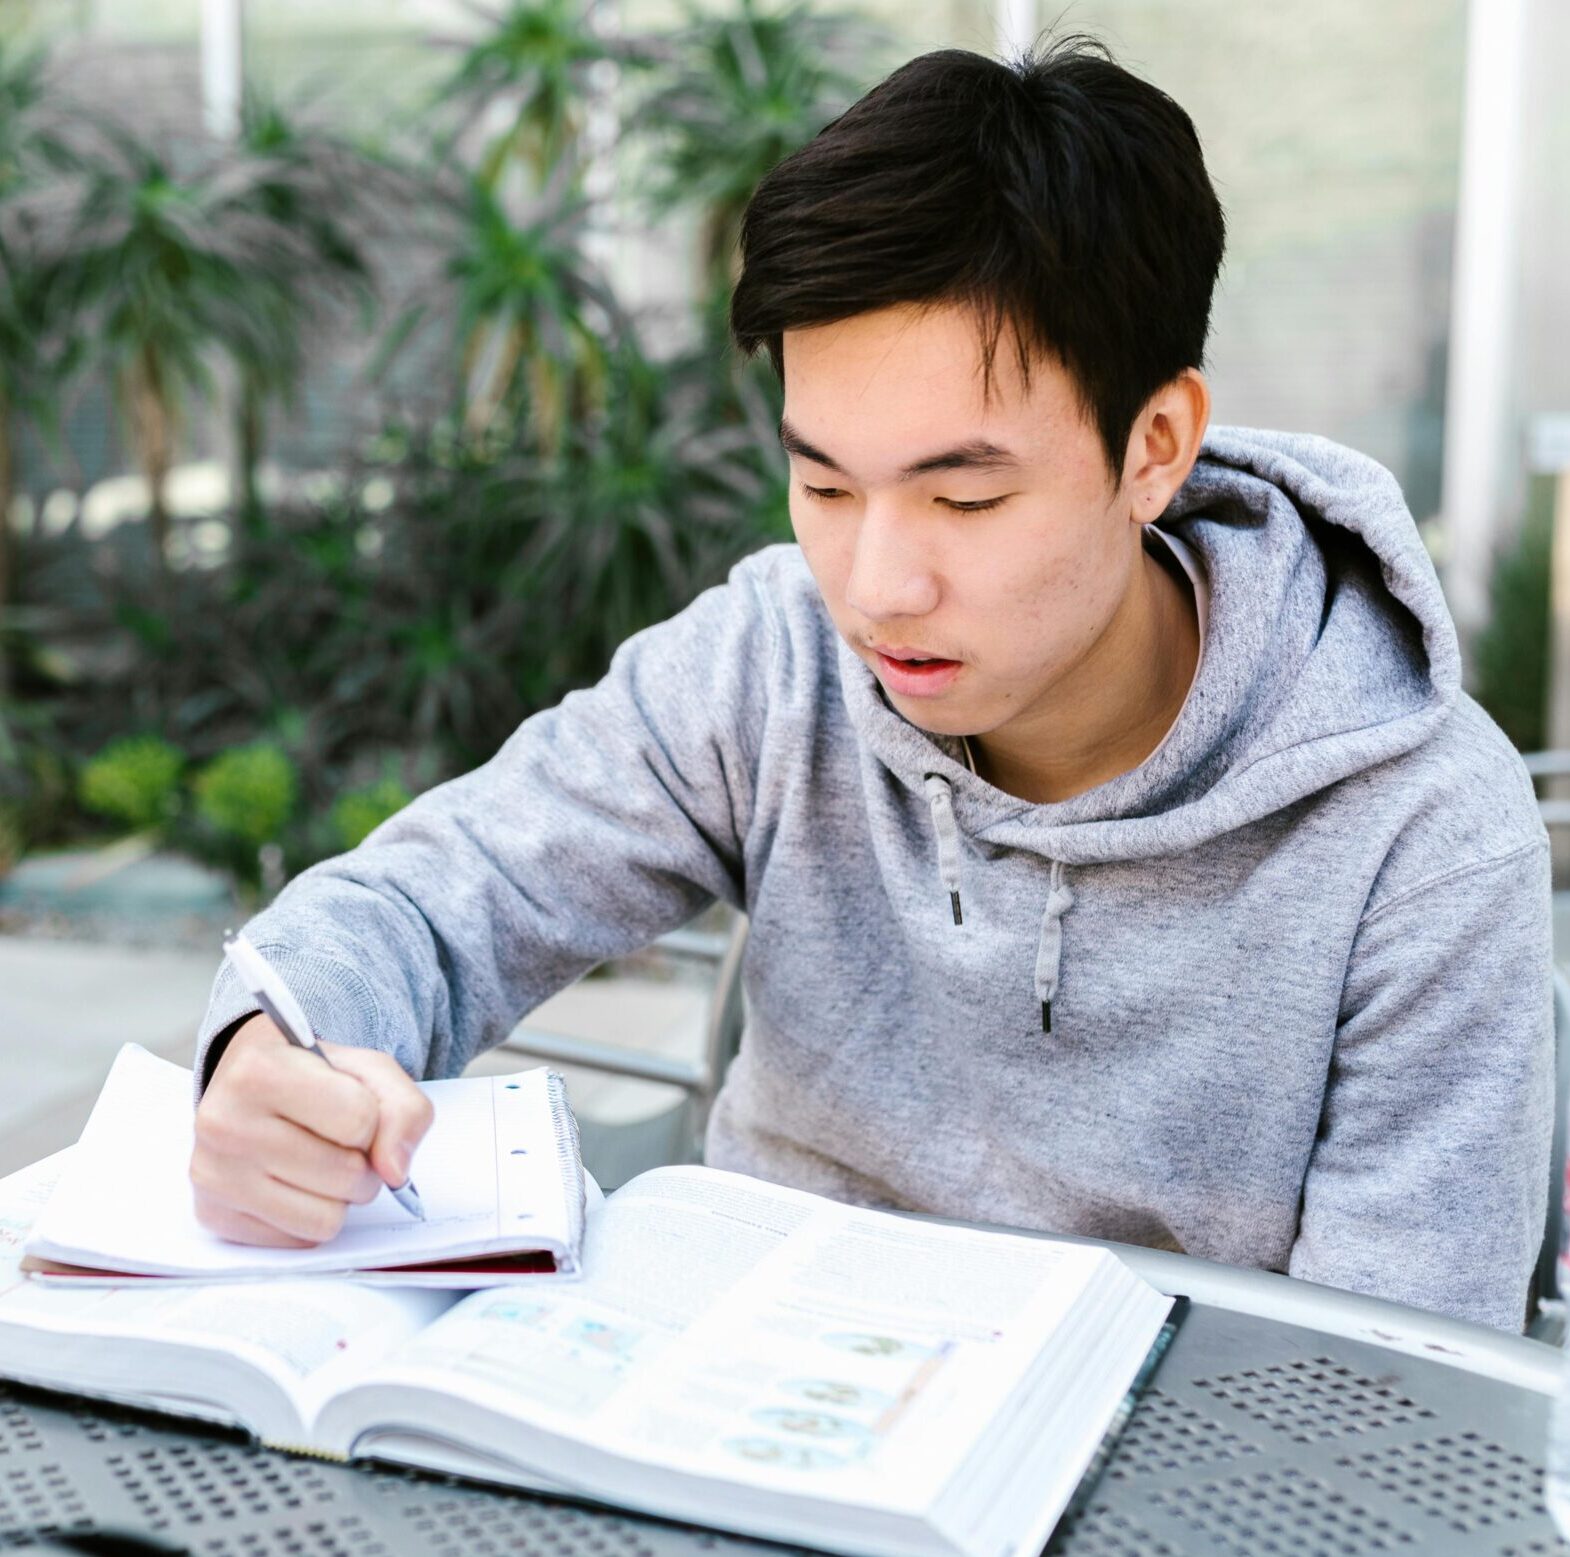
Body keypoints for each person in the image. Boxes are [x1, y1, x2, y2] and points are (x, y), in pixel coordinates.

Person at [187, 35, 1553, 1332]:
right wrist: (272, 1044)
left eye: (962, 497)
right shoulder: (772, 659)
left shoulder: (1419, 840)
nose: (875, 583)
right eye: (824, 482)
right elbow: (442, 897)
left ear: (1153, 445)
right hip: (729, 1420)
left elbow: (1389, 1411)